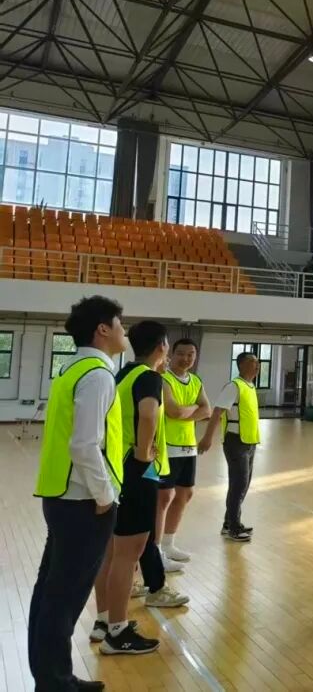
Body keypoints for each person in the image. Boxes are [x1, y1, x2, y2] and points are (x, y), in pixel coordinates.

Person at [29, 296, 126, 691]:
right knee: (64, 598)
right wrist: (104, 495)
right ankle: (55, 682)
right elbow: (85, 445)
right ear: (103, 329)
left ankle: (53, 676)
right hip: (84, 502)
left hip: (61, 495)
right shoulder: (98, 375)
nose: (123, 331)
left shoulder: (71, 368)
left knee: (50, 592)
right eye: (119, 324)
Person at [94, 321, 188, 656]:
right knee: (128, 554)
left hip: (115, 470)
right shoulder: (149, 377)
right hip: (136, 473)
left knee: (110, 552)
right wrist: (144, 452)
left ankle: (104, 621)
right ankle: (117, 633)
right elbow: (148, 415)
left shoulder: (122, 375)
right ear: (162, 346)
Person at [158, 338, 211, 568]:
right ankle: (155, 550)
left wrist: (186, 411)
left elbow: (207, 410)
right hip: (167, 446)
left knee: (185, 494)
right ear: (172, 354)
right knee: (163, 498)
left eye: (191, 354)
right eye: (181, 353)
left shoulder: (196, 381)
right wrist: (194, 409)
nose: (186, 358)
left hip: (188, 446)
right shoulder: (164, 379)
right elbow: (173, 412)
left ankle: (168, 543)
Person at [202, 352, 262, 541]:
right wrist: (207, 438)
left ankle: (230, 523)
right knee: (238, 484)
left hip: (249, 441)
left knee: (243, 483)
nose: (257, 365)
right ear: (241, 365)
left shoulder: (250, 386)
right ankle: (234, 529)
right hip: (235, 442)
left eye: (258, 362)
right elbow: (217, 412)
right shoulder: (233, 386)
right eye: (252, 362)